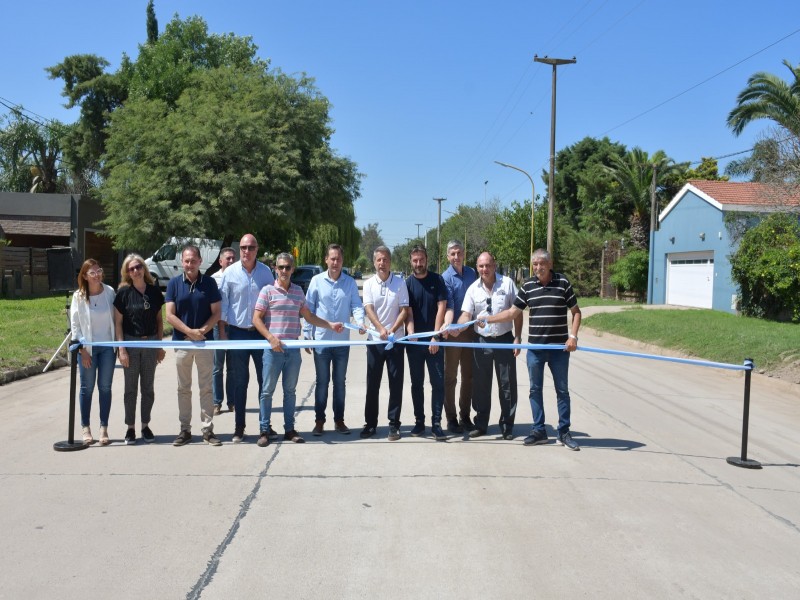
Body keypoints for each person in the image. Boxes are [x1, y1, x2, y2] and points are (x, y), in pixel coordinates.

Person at [481, 249, 582, 450]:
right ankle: (539, 431)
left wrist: (573, 336)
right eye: (534, 264)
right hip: (535, 349)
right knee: (535, 390)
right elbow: (512, 312)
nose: (537, 268)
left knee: (562, 391)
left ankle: (564, 432)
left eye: (541, 263)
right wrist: (487, 319)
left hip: (559, 350)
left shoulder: (562, 283)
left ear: (550, 264)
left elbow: (576, 312)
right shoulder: (527, 285)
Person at [251, 253, 344, 447]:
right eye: (281, 267)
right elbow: (256, 319)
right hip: (272, 351)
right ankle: (264, 430)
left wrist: (330, 325)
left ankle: (289, 429)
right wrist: (270, 338)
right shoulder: (267, 291)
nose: (284, 271)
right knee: (267, 391)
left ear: (293, 269)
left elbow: (309, 317)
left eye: (287, 267)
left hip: (292, 351)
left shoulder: (298, 292)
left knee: (290, 392)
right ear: (275, 269)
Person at [456, 252, 522, 439]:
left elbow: (517, 312)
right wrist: (457, 327)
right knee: (481, 386)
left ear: (494, 265)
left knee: (507, 384)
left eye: (488, 265)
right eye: (481, 266)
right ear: (477, 268)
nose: (485, 269)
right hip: (481, 341)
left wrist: (517, 337)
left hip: (504, 339)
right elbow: (466, 315)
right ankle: (481, 424)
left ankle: (507, 425)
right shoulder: (473, 289)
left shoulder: (508, 283)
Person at [218, 235, 275, 443]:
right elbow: (223, 304)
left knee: (264, 381)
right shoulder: (230, 273)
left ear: (257, 249)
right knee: (240, 382)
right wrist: (223, 332)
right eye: (243, 247)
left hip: (261, 334)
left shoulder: (265, 273)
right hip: (238, 333)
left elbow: (273, 301)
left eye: (250, 247)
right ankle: (239, 427)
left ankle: (264, 426)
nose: (246, 251)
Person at [304, 243, 365, 436]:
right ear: (326, 260)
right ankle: (319, 421)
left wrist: (361, 322)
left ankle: (339, 420)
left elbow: (356, 305)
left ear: (342, 260)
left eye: (338, 259)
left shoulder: (349, 283)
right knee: (322, 382)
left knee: (340, 382)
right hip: (321, 341)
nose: (335, 262)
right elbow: (308, 309)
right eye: (332, 259)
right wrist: (307, 333)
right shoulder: (316, 281)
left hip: (342, 342)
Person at [165, 245, 222, 447]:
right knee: (183, 388)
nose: (190, 264)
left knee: (206, 388)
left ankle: (207, 430)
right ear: (182, 262)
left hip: (204, 343)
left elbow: (216, 312)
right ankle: (185, 430)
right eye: (186, 261)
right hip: (182, 343)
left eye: (193, 261)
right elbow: (170, 315)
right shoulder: (173, 284)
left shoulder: (209, 283)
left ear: (200, 262)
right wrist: (190, 332)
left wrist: (202, 332)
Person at [114, 254, 166, 445]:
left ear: (144, 268)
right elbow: (118, 324)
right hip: (131, 343)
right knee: (130, 389)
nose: (135, 271)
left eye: (138, 267)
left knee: (148, 388)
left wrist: (159, 346)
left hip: (151, 343)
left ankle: (145, 425)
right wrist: (122, 349)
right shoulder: (123, 294)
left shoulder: (154, 292)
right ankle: (130, 428)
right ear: (127, 272)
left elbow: (160, 321)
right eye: (131, 268)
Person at [362, 246, 409, 441]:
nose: (382, 263)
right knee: (372, 384)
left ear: (390, 262)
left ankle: (393, 424)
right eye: (379, 260)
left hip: (395, 341)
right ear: (374, 262)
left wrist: (391, 330)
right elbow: (369, 309)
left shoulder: (400, 283)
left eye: (385, 260)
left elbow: (404, 310)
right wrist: (381, 329)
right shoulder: (369, 284)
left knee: (395, 384)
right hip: (375, 341)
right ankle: (371, 424)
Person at [70, 259, 116, 446]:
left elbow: (116, 318)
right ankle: (85, 427)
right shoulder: (78, 296)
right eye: (92, 273)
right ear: (84, 276)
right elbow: (75, 325)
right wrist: (82, 350)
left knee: (105, 387)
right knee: (86, 388)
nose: (97, 275)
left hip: (107, 348)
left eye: (99, 271)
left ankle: (103, 428)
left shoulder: (110, 292)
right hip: (87, 349)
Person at [405, 244, 448, 441]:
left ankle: (437, 423)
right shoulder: (407, 284)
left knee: (438, 383)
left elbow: (442, 307)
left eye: (421, 259)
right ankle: (419, 422)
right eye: (415, 260)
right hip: (414, 344)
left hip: (434, 343)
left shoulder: (437, 280)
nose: (418, 263)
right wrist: (410, 331)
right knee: (416, 384)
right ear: (411, 261)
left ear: (427, 260)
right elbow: (408, 311)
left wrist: (436, 336)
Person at [440, 239, 477, 433]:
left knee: (469, 376)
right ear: (448, 256)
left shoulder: (472, 273)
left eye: (459, 253)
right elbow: (450, 305)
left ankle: (465, 416)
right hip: (453, 332)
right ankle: (451, 418)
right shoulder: (445, 277)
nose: (456, 257)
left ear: (464, 254)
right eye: (452, 254)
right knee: (451, 377)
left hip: (471, 333)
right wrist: (452, 326)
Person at [211, 246, 236, 414]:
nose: (231, 261)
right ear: (221, 261)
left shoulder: (238, 276)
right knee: (217, 367)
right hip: (217, 327)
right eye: (228, 258)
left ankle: (232, 402)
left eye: (234, 258)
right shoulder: (214, 280)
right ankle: (216, 402)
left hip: (234, 328)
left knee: (233, 368)